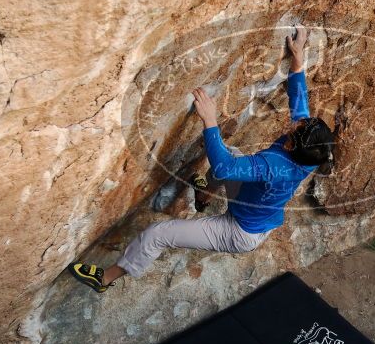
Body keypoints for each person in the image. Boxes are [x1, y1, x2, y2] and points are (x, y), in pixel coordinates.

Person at [68, 26, 336, 292]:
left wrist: (210, 120)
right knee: (233, 154)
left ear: (290, 146)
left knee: (158, 234)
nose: (294, 123)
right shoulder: (312, 152)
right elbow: (299, 102)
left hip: (238, 232)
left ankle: (104, 279)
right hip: (254, 210)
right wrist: (298, 57)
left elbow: (224, 167)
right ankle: (204, 197)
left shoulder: (273, 166)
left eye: (295, 129)